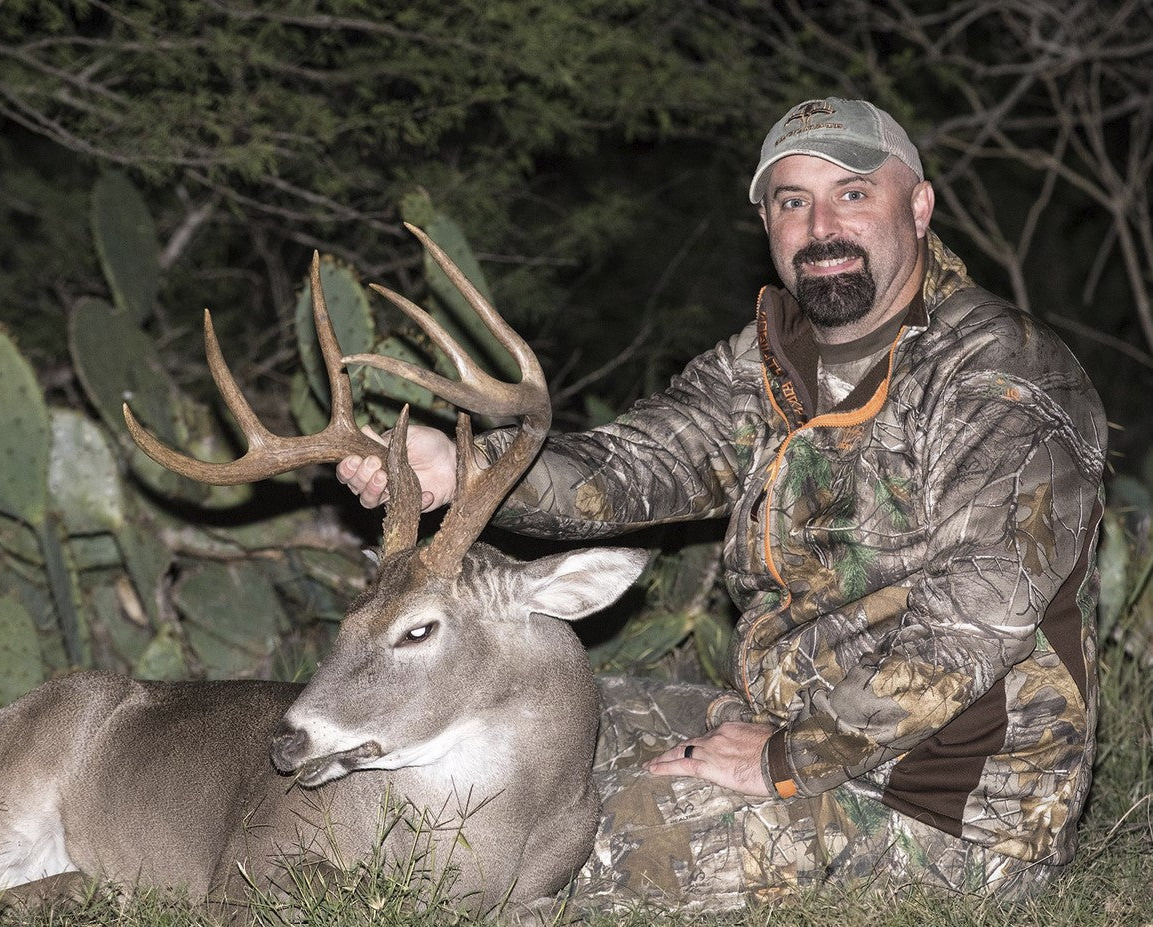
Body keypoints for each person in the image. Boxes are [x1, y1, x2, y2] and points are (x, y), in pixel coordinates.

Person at [337, 97, 1107, 911]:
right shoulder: (769, 362)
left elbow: (975, 620)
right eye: (792, 201)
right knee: (529, 728)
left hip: (946, 804)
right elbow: (635, 466)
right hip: (789, 713)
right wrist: (463, 467)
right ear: (768, 225)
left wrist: (783, 759)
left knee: (566, 845)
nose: (821, 227)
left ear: (917, 207)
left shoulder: (1001, 378)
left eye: (852, 194)